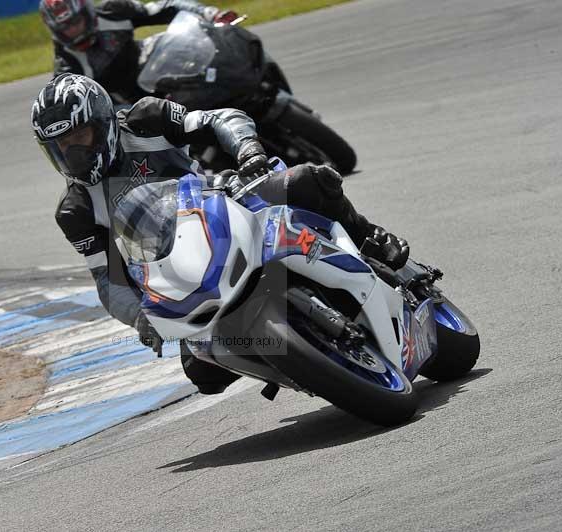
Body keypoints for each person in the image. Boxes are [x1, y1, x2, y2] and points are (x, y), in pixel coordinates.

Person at [31, 74, 409, 393]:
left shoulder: (147, 119)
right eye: (61, 147)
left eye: (79, 138)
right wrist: (141, 319)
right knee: (204, 374)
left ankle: (369, 236)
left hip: (228, 200)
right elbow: (107, 279)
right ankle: (296, 362)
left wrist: (248, 151)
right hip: (179, 269)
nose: (72, 154)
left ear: (104, 122)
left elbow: (219, 119)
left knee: (311, 180)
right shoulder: (76, 211)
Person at [39, 0, 238, 104]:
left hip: (161, 72)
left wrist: (209, 14)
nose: (74, 30)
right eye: (66, 27)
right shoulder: (66, 67)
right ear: (55, 30)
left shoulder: (113, 11)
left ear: (86, 13)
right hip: (132, 108)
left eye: (76, 22)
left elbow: (166, 7)